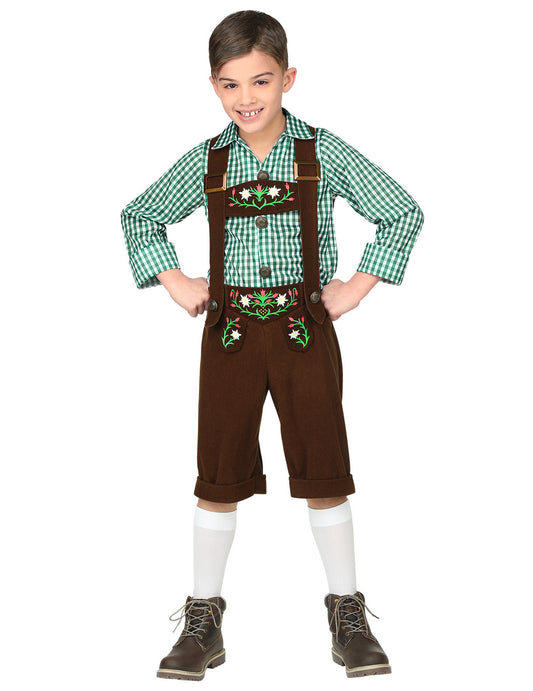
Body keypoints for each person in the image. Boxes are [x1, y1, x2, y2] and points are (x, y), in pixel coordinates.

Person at [121, 10, 424, 681]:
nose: (246, 97)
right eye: (230, 84)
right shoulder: (208, 159)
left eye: (260, 80)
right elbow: (139, 214)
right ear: (213, 85)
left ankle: (346, 612)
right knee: (217, 473)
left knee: (324, 467)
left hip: (302, 331)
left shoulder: (321, 151)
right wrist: (174, 279)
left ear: (287, 78)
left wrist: (355, 287)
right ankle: (203, 617)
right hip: (228, 333)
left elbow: (401, 210)